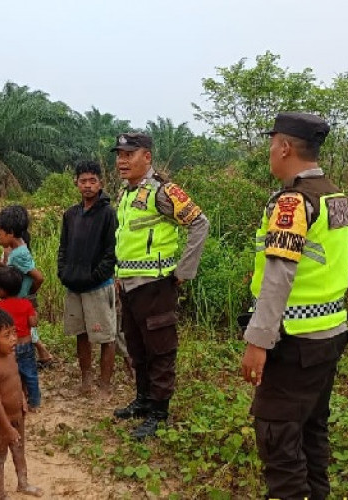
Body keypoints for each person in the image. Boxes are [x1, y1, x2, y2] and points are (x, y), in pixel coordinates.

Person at [240, 112, 348, 500]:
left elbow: (279, 277)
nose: (270, 152)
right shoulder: (333, 195)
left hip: (295, 342)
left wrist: (258, 340)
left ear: (285, 147)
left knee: (278, 437)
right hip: (330, 335)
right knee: (311, 433)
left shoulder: (294, 201)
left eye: (272, 144)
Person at [111, 132, 209, 439]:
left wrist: (184, 270)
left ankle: (159, 413)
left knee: (160, 351)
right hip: (129, 286)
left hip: (155, 286)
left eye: (129, 154)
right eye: (119, 155)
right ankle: (142, 401)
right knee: (137, 348)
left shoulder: (164, 191)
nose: (122, 161)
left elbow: (199, 223)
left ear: (147, 157)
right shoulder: (126, 193)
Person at [58, 160, 117, 397]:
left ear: (100, 183)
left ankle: (104, 384)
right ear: (76, 183)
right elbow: (63, 248)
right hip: (74, 285)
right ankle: (86, 381)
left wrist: (96, 276)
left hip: (99, 286)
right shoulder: (70, 214)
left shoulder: (108, 214)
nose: (88, 185)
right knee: (81, 334)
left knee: (105, 336)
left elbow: (112, 252)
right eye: (83, 181)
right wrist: (63, 272)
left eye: (93, 181)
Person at [0, 308, 43, 498]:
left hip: (18, 415)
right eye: (6, 336)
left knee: (19, 450)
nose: (13, 339)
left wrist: (23, 400)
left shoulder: (11, 355)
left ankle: (23, 483)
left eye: (14, 333)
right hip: (2, 422)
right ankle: (1, 494)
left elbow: (17, 381)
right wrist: (6, 427)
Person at [0, 206, 54, 367]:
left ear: (10, 233)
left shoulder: (19, 254)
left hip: (21, 298)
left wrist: (29, 292)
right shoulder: (19, 248)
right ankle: (40, 355)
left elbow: (38, 277)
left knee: (22, 329)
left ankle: (32, 358)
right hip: (21, 297)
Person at [0, 267, 41, 411]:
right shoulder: (26, 304)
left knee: (12, 375)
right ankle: (35, 402)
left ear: (2, 290)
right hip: (26, 345)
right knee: (30, 374)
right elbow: (33, 323)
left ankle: (16, 400)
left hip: (7, 349)